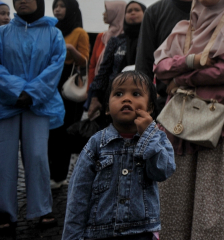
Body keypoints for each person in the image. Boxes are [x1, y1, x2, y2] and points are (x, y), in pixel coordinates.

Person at [154, 0, 224, 240]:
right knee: (174, 195)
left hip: (218, 122)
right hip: (181, 121)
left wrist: (183, 79)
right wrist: (191, 61)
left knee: (210, 203)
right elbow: (160, 69)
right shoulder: (183, 28)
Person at [62, 71, 175, 240]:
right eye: (118, 94)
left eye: (136, 94)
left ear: (150, 107)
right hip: (100, 232)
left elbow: (162, 171)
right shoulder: (96, 144)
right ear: (107, 108)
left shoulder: (157, 138)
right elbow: (78, 193)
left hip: (142, 232)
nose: (126, 99)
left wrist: (148, 136)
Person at [0, 0, 66, 234]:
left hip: (38, 104)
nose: (23, 1)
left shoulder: (53, 33)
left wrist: (32, 93)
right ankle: (4, 211)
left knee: (38, 157)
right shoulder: (2, 33)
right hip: (6, 103)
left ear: (39, 1)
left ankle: (41, 209)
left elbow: (55, 65)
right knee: (3, 159)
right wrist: (17, 91)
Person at [135, 0, 213, 110]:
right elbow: (144, 63)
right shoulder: (154, 12)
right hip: (165, 106)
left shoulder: (217, 13)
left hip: (208, 104)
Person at [50, 0, 89, 189]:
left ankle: (59, 175)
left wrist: (71, 49)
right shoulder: (51, 30)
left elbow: (84, 62)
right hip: (50, 80)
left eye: (62, 6)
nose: (57, 9)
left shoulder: (79, 31)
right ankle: (49, 172)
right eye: (55, 6)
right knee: (50, 129)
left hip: (68, 82)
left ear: (71, 9)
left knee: (64, 129)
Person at [86, 1, 146, 122]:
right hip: (114, 98)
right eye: (129, 11)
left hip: (142, 98)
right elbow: (104, 69)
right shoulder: (116, 41)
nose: (132, 13)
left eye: (137, 10)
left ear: (145, 14)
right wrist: (95, 97)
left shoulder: (150, 40)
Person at [88, 0, 126, 90]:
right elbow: (92, 65)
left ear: (117, 13)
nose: (103, 14)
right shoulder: (102, 37)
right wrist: (90, 89)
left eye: (107, 11)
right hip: (98, 88)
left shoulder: (126, 39)